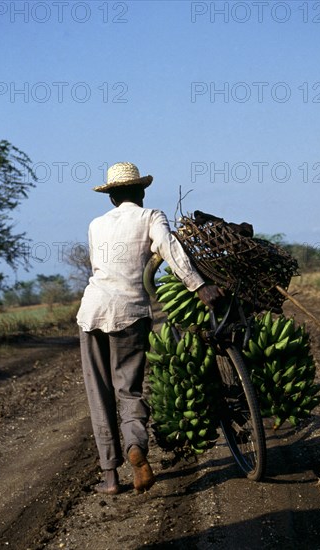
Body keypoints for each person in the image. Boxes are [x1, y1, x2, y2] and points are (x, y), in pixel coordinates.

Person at [77, 162, 223, 495]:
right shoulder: (151, 216)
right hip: (130, 313)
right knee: (128, 390)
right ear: (141, 191)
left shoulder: (95, 225)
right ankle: (135, 446)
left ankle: (111, 478)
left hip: (91, 311)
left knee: (98, 394)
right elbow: (169, 248)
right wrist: (198, 285)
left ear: (111, 196)